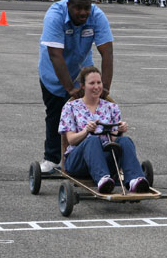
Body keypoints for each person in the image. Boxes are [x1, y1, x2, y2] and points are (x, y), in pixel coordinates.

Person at [37, 0, 114, 173]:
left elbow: (107, 53)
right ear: (68, 5)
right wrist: (70, 89)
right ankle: (52, 158)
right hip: (53, 72)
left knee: (87, 113)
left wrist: (105, 88)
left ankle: (85, 157)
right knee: (56, 114)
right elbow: (55, 55)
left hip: (81, 69)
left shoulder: (97, 16)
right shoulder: (55, 15)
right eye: (78, 8)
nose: (83, 13)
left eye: (86, 8)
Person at [58, 66, 149, 194]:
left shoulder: (111, 107)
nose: (96, 87)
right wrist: (86, 131)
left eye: (99, 82)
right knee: (92, 140)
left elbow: (114, 140)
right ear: (82, 85)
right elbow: (71, 140)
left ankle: (135, 180)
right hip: (78, 162)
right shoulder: (71, 107)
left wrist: (120, 129)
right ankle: (102, 179)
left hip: (106, 160)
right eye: (92, 83)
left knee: (125, 140)